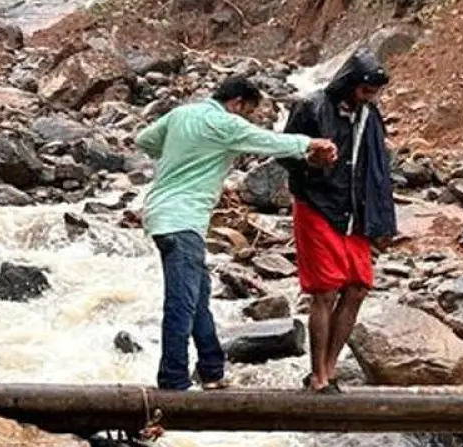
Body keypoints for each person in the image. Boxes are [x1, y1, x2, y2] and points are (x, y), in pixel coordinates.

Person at [136, 76, 337, 392]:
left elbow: (145, 140)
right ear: (237, 103)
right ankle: (172, 381)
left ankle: (212, 369)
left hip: (162, 214)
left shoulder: (181, 115)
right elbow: (266, 140)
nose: (243, 120)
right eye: (246, 113)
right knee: (182, 303)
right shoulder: (224, 123)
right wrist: (311, 144)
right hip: (183, 218)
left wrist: (180, 154)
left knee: (198, 296)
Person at [283, 50, 397, 393]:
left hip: (355, 211)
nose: (369, 97)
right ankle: (318, 375)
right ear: (350, 83)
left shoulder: (369, 115)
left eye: (373, 92)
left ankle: (331, 368)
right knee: (325, 291)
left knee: (358, 288)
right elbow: (285, 151)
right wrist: (311, 163)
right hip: (318, 205)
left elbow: (377, 169)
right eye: (365, 90)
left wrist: (382, 221)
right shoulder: (312, 107)